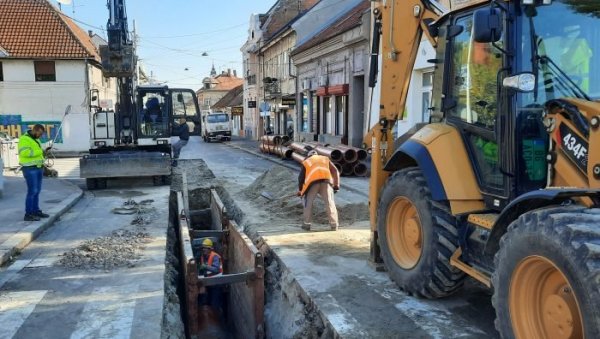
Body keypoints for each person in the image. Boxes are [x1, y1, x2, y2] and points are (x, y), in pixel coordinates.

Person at [297, 150, 340, 231]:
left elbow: (301, 179)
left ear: (308, 156)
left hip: (312, 184)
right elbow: (335, 171)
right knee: (330, 202)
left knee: (308, 203)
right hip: (326, 183)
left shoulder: (306, 161)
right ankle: (334, 225)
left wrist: (300, 191)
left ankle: (307, 224)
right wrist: (336, 185)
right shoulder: (325, 159)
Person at [18, 124, 50, 221]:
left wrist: (44, 153)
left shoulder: (36, 139)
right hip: (29, 168)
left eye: (41, 134)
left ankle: (36, 211)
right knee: (32, 191)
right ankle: (28, 214)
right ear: (35, 130)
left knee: (37, 191)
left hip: (38, 167)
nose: (40, 136)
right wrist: (40, 151)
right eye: (39, 133)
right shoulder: (24, 139)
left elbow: (38, 153)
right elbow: (24, 153)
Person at [198, 238, 223, 312]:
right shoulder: (203, 256)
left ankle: (216, 316)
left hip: (216, 283)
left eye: (205, 248)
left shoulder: (215, 256)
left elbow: (216, 269)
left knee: (214, 303)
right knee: (206, 301)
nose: (203, 250)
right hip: (208, 283)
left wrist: (205, 267)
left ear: (210, 249)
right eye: (203, 248)